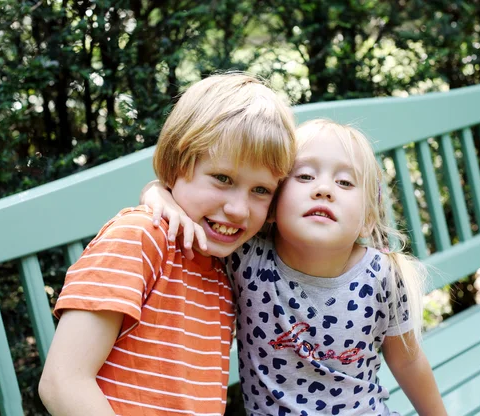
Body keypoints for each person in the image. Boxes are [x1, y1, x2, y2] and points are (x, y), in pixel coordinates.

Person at [141, 119, 447, 415]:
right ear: (273, 205)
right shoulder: (246, 257)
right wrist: (157, 193)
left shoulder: (382, 276)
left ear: (367, 218)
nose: (324, 189)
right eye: (304, 177)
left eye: (344, 182)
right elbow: (186, 206)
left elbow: (407, 361)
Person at [38, 72, 297, 416]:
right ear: (176, 165)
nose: (238, 209)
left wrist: (159, 190)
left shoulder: (228, 265)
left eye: (260, 190)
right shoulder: (139, 237)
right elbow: (62, 383)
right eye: (222, 178)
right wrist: (156, 191)